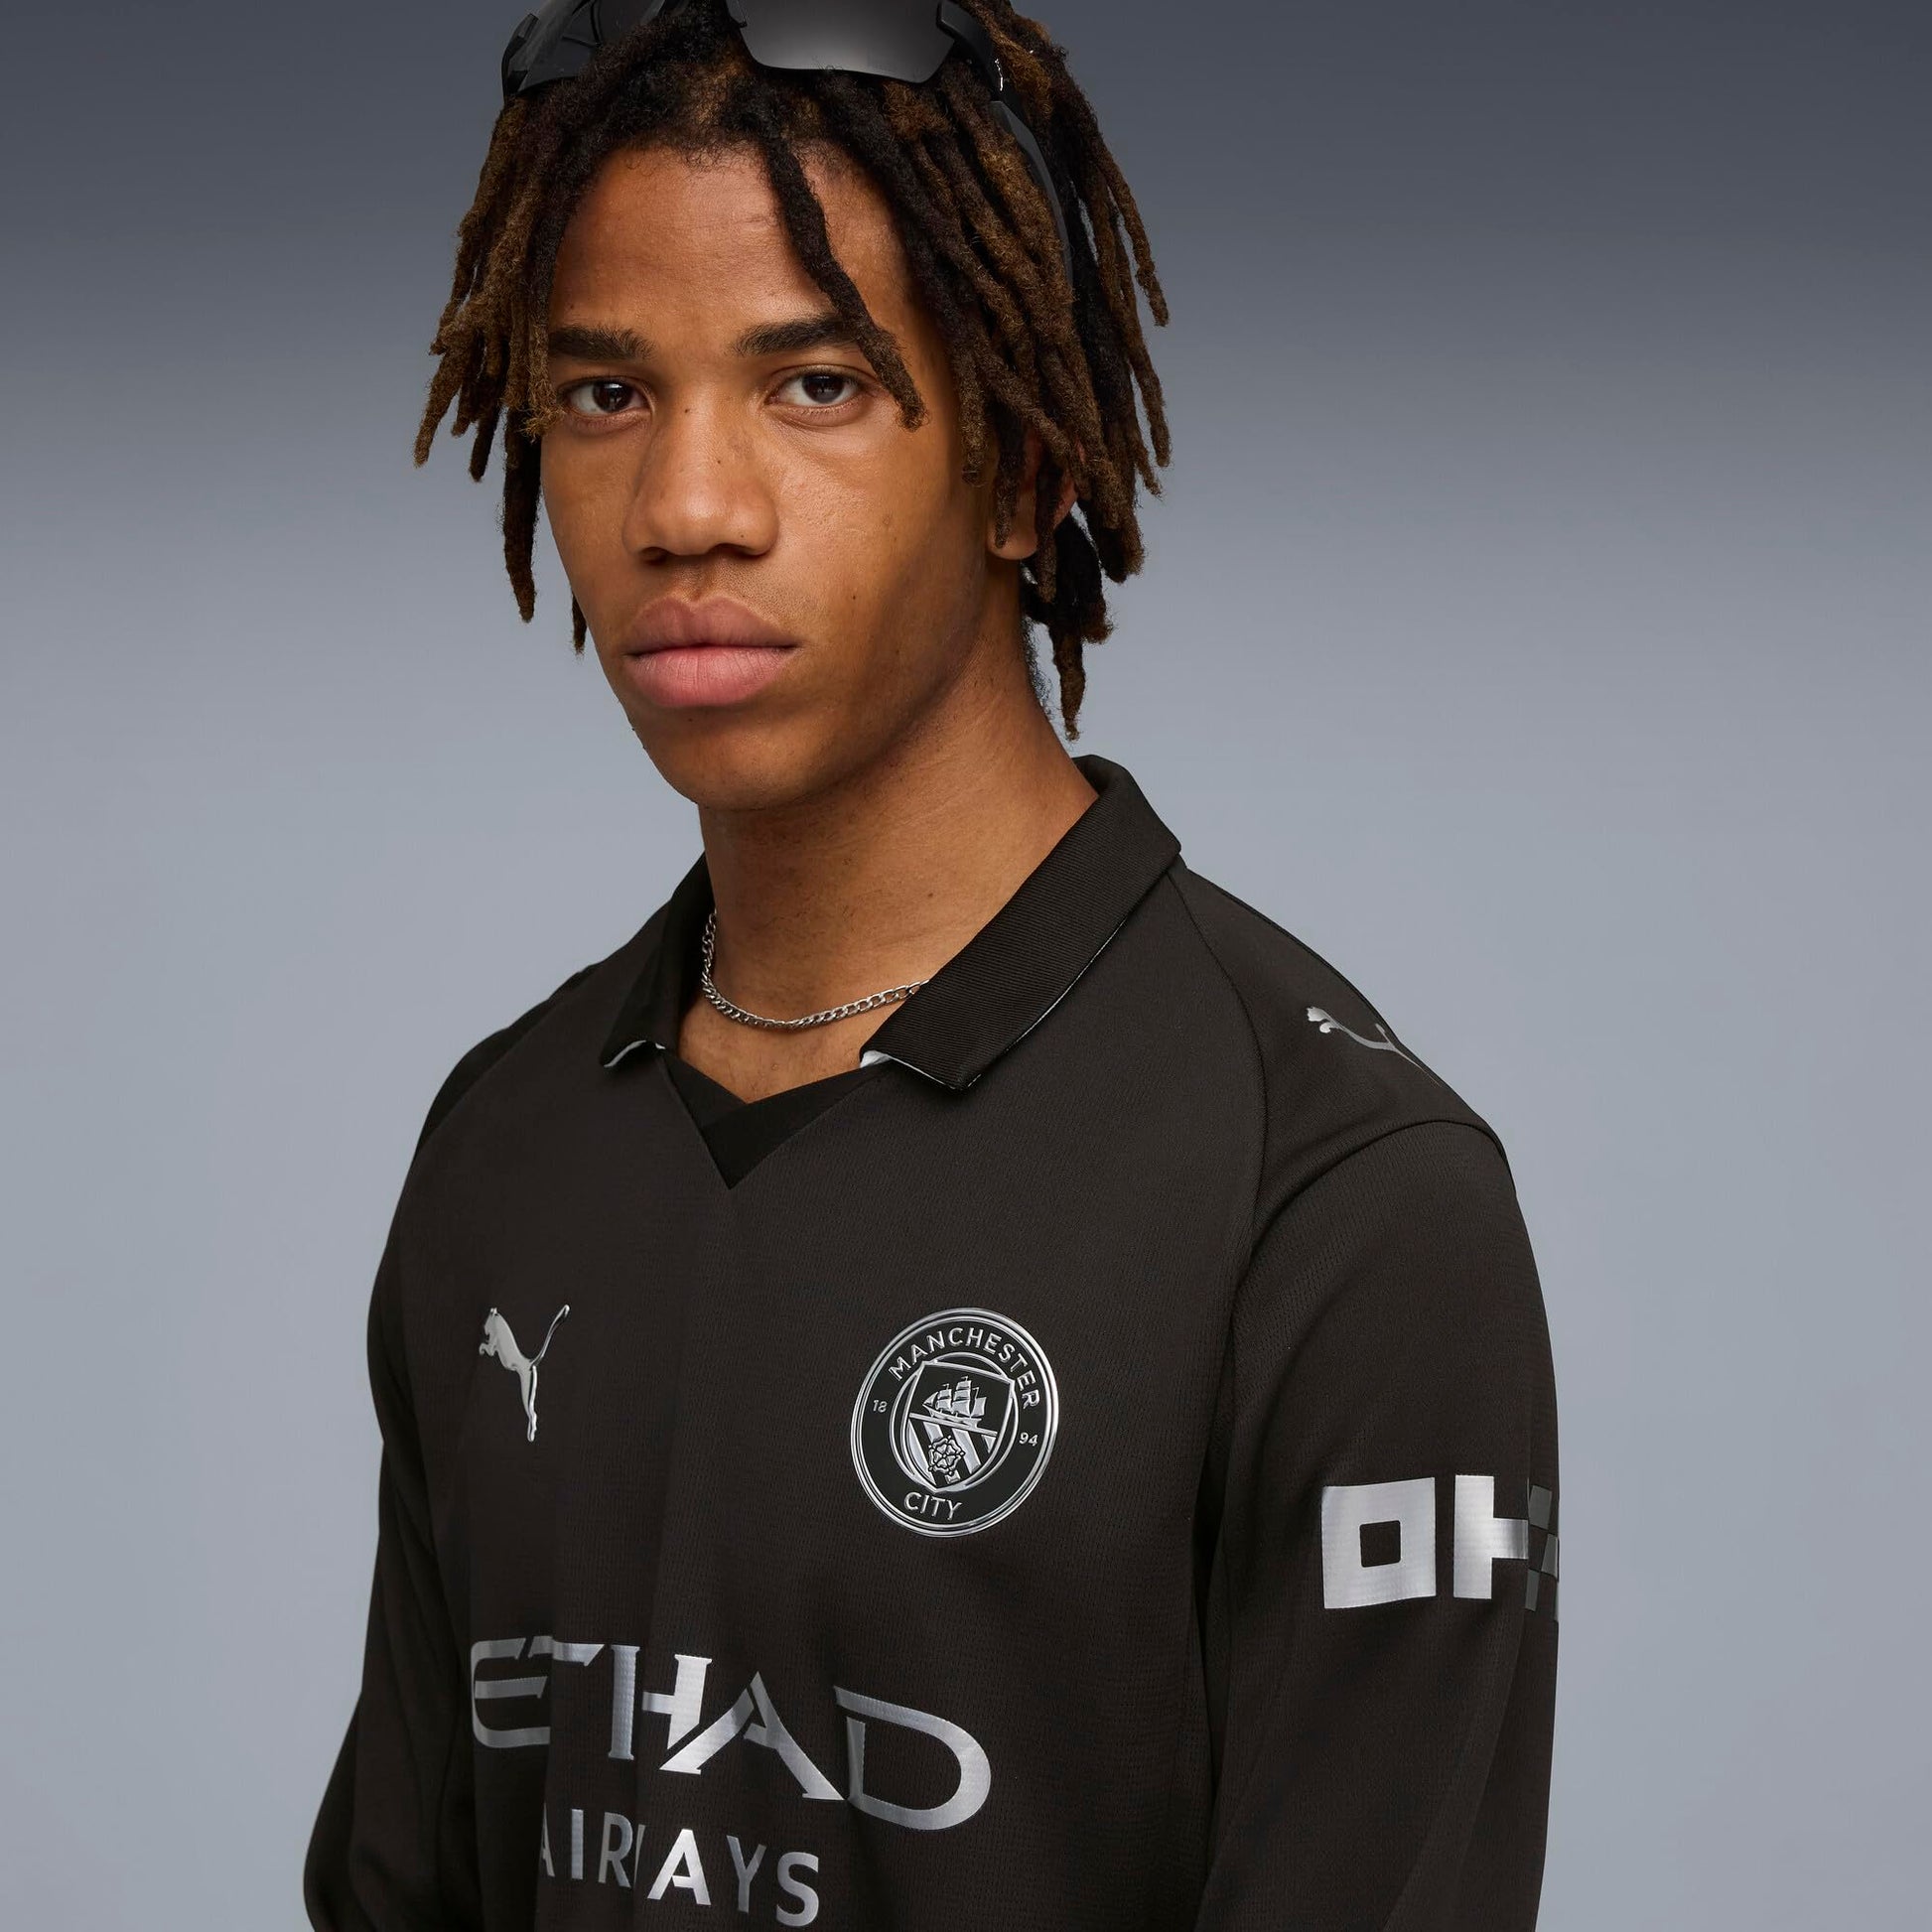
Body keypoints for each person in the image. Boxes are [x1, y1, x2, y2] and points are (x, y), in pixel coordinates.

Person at [303, 3, 1560, 1927]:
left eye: (811, 383)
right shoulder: (508, 1139)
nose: (686, 507)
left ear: (1018, 463)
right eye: (607, 392)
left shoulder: (1335, 1198)